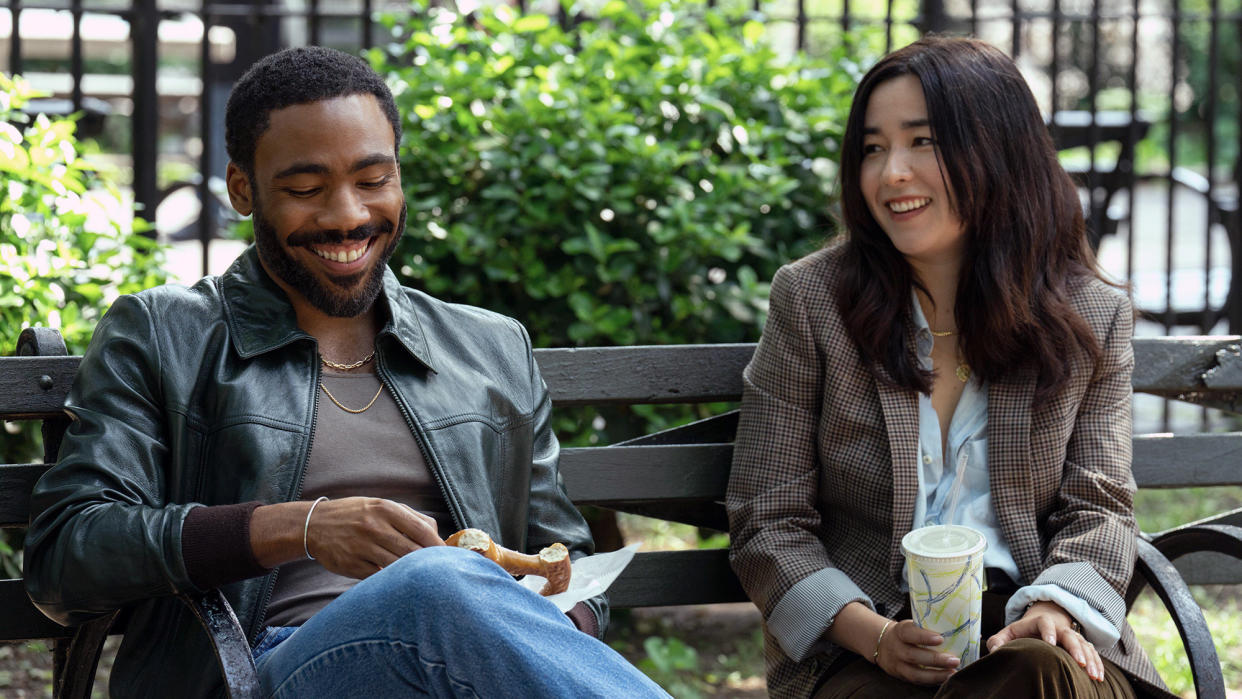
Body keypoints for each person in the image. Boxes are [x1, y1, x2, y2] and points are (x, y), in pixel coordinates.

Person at [23, 46, 667, 698]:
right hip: (259, 673)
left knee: (446, 589)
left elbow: (563, 557)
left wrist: (550, 627)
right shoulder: (164, 333)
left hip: (465, 667)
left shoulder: (489, 347)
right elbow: (68, 552)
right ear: (242, 188)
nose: (348, 216)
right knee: (435, 584)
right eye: (305, 189)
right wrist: (298, 527)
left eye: (373, 179)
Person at [726, 37, 1173, 699]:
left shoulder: (1090, 314)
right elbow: (767, 517)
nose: (891, 173)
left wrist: (1052, 607)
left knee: (1037, 674)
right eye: (873, 148)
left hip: (1030, 630)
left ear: (998, 149)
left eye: (922, 142)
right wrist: (871, 633)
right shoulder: (814, 300)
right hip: (868, 640)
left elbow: (1100, 507)